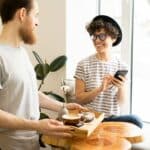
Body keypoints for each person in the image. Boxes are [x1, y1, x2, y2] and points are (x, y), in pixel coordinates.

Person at [0, 0, 85, 149]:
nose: (37, 23)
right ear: (22, 14)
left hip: (30, 142)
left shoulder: (20, 52)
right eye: (36, 15)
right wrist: (36, 125)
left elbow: (28, 92)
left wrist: (63, 106)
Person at [74, 15, 143, 129]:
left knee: (136, 121)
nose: (96, 40)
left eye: (101, 36)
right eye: (94, 36)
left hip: (111, 120)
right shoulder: (83, 64)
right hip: (90, 118)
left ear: (113, 38)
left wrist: (121, 87)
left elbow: (121, 103)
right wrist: (100, 89)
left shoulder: (121, 66)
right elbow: (79, 99)